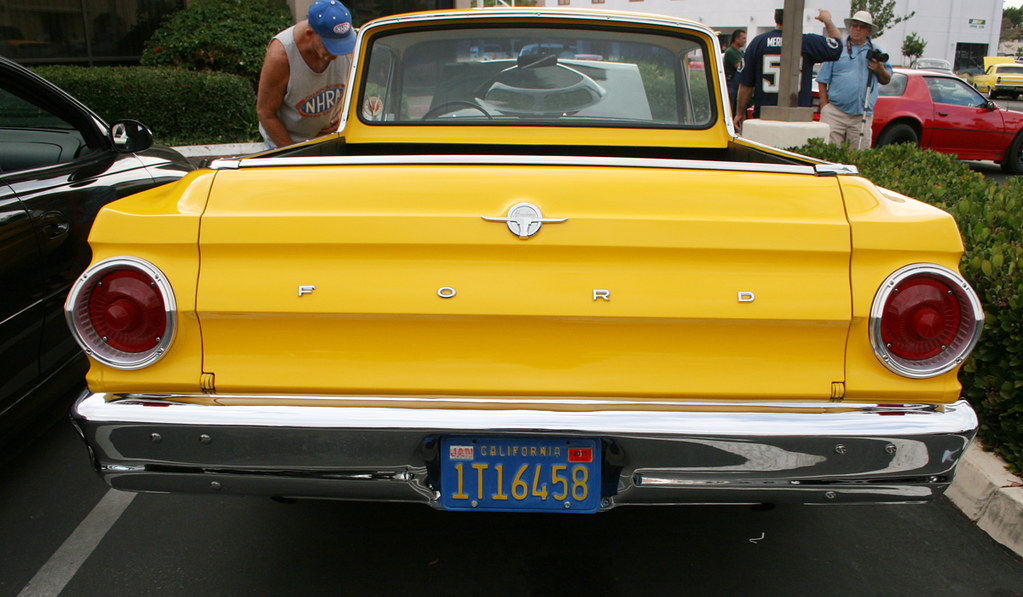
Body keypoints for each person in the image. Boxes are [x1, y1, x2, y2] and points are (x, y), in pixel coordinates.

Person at [257, 0, 356, 149]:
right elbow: (265, 113)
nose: (337, 54)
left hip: (329, 140)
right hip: (287, 145)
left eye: (342, 45)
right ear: (310, 34)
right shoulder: (281, 55)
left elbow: (358, 89)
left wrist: (345, 114)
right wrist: (294, 155)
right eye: (330, 46)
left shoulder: (345, 38)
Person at [733, 8, 841, 132]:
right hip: (797, 117)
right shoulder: (807, 42)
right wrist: (827, 20)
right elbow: (837, 46)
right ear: (797, 18)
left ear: (775, 17)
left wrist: (740, 112)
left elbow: (746, 85)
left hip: (765, 116)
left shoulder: (758, 42)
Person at [816, 10, 893, 150]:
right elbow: (822, 79)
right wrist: (824, 106)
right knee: (829, 153)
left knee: (859, 155)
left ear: (868, 31)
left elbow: (886, 79)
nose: (857, 29)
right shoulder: (838, 48)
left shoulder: (876, 51)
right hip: (835, 112)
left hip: (862, 115)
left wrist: (879, 68)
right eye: (854, 25)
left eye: (862, 26)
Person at [723, 29, 746, 116]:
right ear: (736, 39)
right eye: (743, 38)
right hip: (731, 82)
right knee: (731, 106)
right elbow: (740, 66)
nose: (745, 41)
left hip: (738, 82)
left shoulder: (741, 52)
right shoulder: (730, 51)